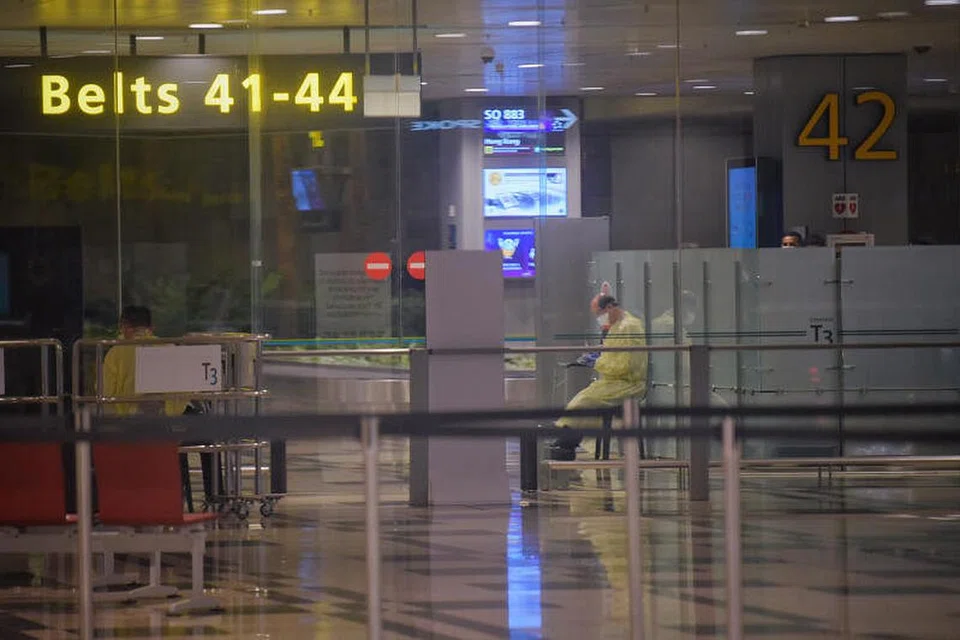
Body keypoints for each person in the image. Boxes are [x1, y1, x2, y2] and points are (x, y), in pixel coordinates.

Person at [550, 295, 648, 460]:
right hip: (613, 382)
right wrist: (599, 357)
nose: (598, 318)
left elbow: (625, 366)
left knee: (585, 401)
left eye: (598, 313)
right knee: (584, 398)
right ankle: (566, 440)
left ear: (609, 307)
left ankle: (566, 441)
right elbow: (612, 356)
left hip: (629, 384)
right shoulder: (616, 327)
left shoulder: (629, 327)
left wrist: (597, 362)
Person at [102, 305, 187, 416]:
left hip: (128, 419)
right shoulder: (169, 347)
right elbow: (185, 387)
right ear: (151, 327)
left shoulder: (115, 352)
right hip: (167, 417)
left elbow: (106, 390)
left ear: (123, 326)